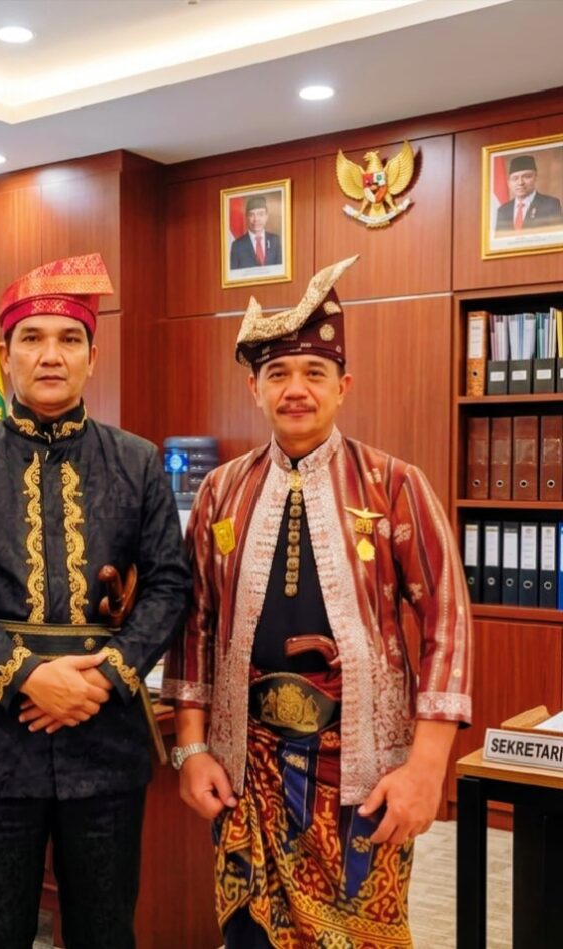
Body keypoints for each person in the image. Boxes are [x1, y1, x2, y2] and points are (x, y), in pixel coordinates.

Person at [161, 255, 472, 948]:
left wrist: (427, 769)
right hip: (247, 764)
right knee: (249, 935)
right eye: (278, 374)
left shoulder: (395, 485)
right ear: (255, 388)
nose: (295, 389)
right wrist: (191, 749)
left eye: (314, 373)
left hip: (361, 768)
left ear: (343, 386)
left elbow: (447, 624)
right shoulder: (219, 491)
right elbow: (194, 625)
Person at [0, 252, 190, 949]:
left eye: (69, 339)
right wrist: (29, 676)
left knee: (105, 931)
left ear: (93, 357)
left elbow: (169, 584)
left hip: (106, 734)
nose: (50, 355)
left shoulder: (137, 460)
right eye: (32, 338)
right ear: (5, 353)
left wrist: (104, 677)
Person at [495, 153, 563, 230]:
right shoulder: (503, 210)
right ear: (509, 182)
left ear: (535, 177)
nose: (520, 183)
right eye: (515, 178)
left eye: (526, 177)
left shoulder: (550, 204)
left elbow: (556, 234)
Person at [230, 195, 283, 269]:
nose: (256, 219)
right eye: (251, 215)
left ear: (266, 216)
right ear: (246, 217)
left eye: (260, 214)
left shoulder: (275, 241)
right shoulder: (237, 246)